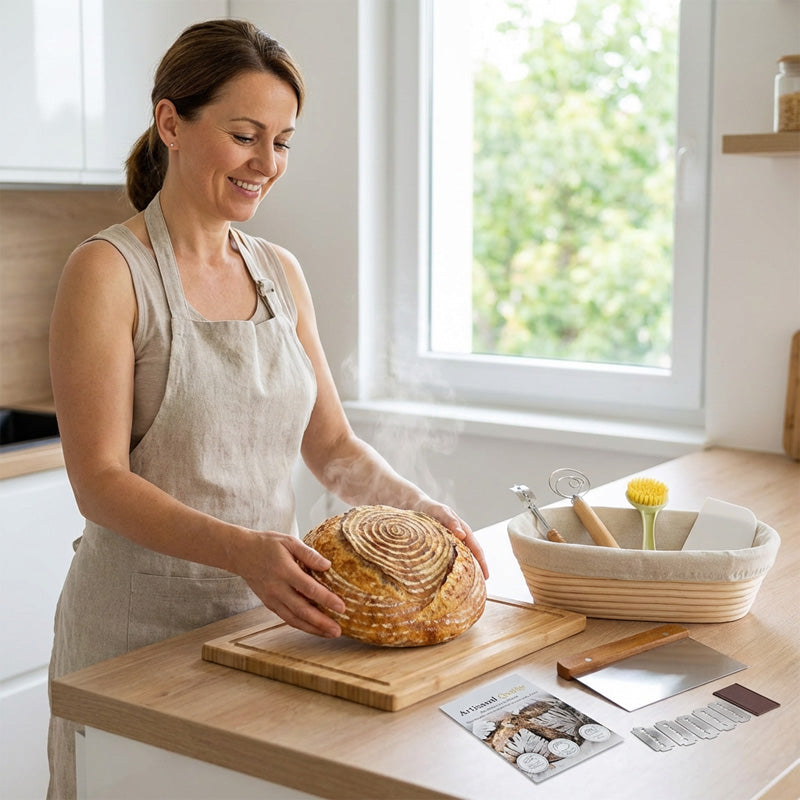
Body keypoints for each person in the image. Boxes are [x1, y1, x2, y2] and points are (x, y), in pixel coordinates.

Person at [46, 18, 487, 799]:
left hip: (262, 628)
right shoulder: (108, 272)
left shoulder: (280, 272)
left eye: (282, 141)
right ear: (170, 122)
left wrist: (420, 507)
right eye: (245, 135)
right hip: (132, 636)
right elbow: (99, 481)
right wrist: (245, 548)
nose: (266, 164)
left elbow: (333, 446)